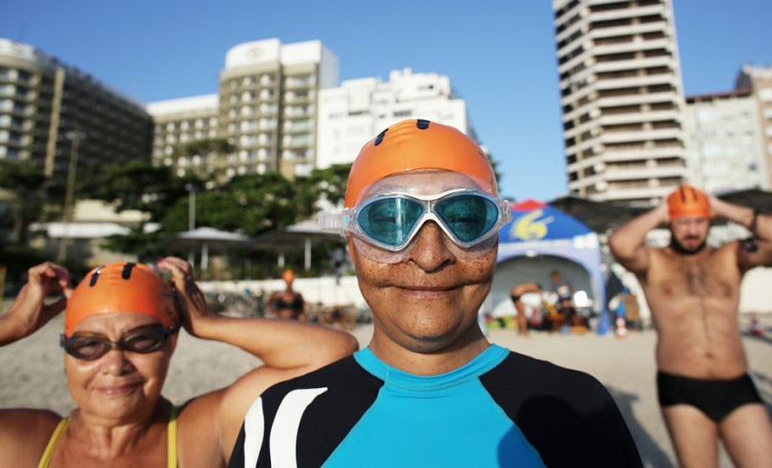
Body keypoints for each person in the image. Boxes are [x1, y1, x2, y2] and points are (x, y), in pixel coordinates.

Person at [229, 119, 642, 467]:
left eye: (464, 219)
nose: (429, 256)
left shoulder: (577, 409)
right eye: (389, 222)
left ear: (494, 241)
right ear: (352, 246)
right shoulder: (282, 419)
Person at [0, 257, 358, 468]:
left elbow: (331, 353)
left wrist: (209, 323)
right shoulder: (23, 443)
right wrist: (12, 325)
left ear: (171, 343)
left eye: (141, 340)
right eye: (89, 345)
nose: (114, 364)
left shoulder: (198, 433)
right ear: (66, 350)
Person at [608, 184, 772, 468]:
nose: (692, 230)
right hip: (682, 390)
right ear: (669, 222)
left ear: (710, 220)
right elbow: (620, 244)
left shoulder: (731, 256)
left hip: (737, 385)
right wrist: (662, 210)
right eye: (683, 222)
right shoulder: (654, 262)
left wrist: (719, 207)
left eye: (699, 221)